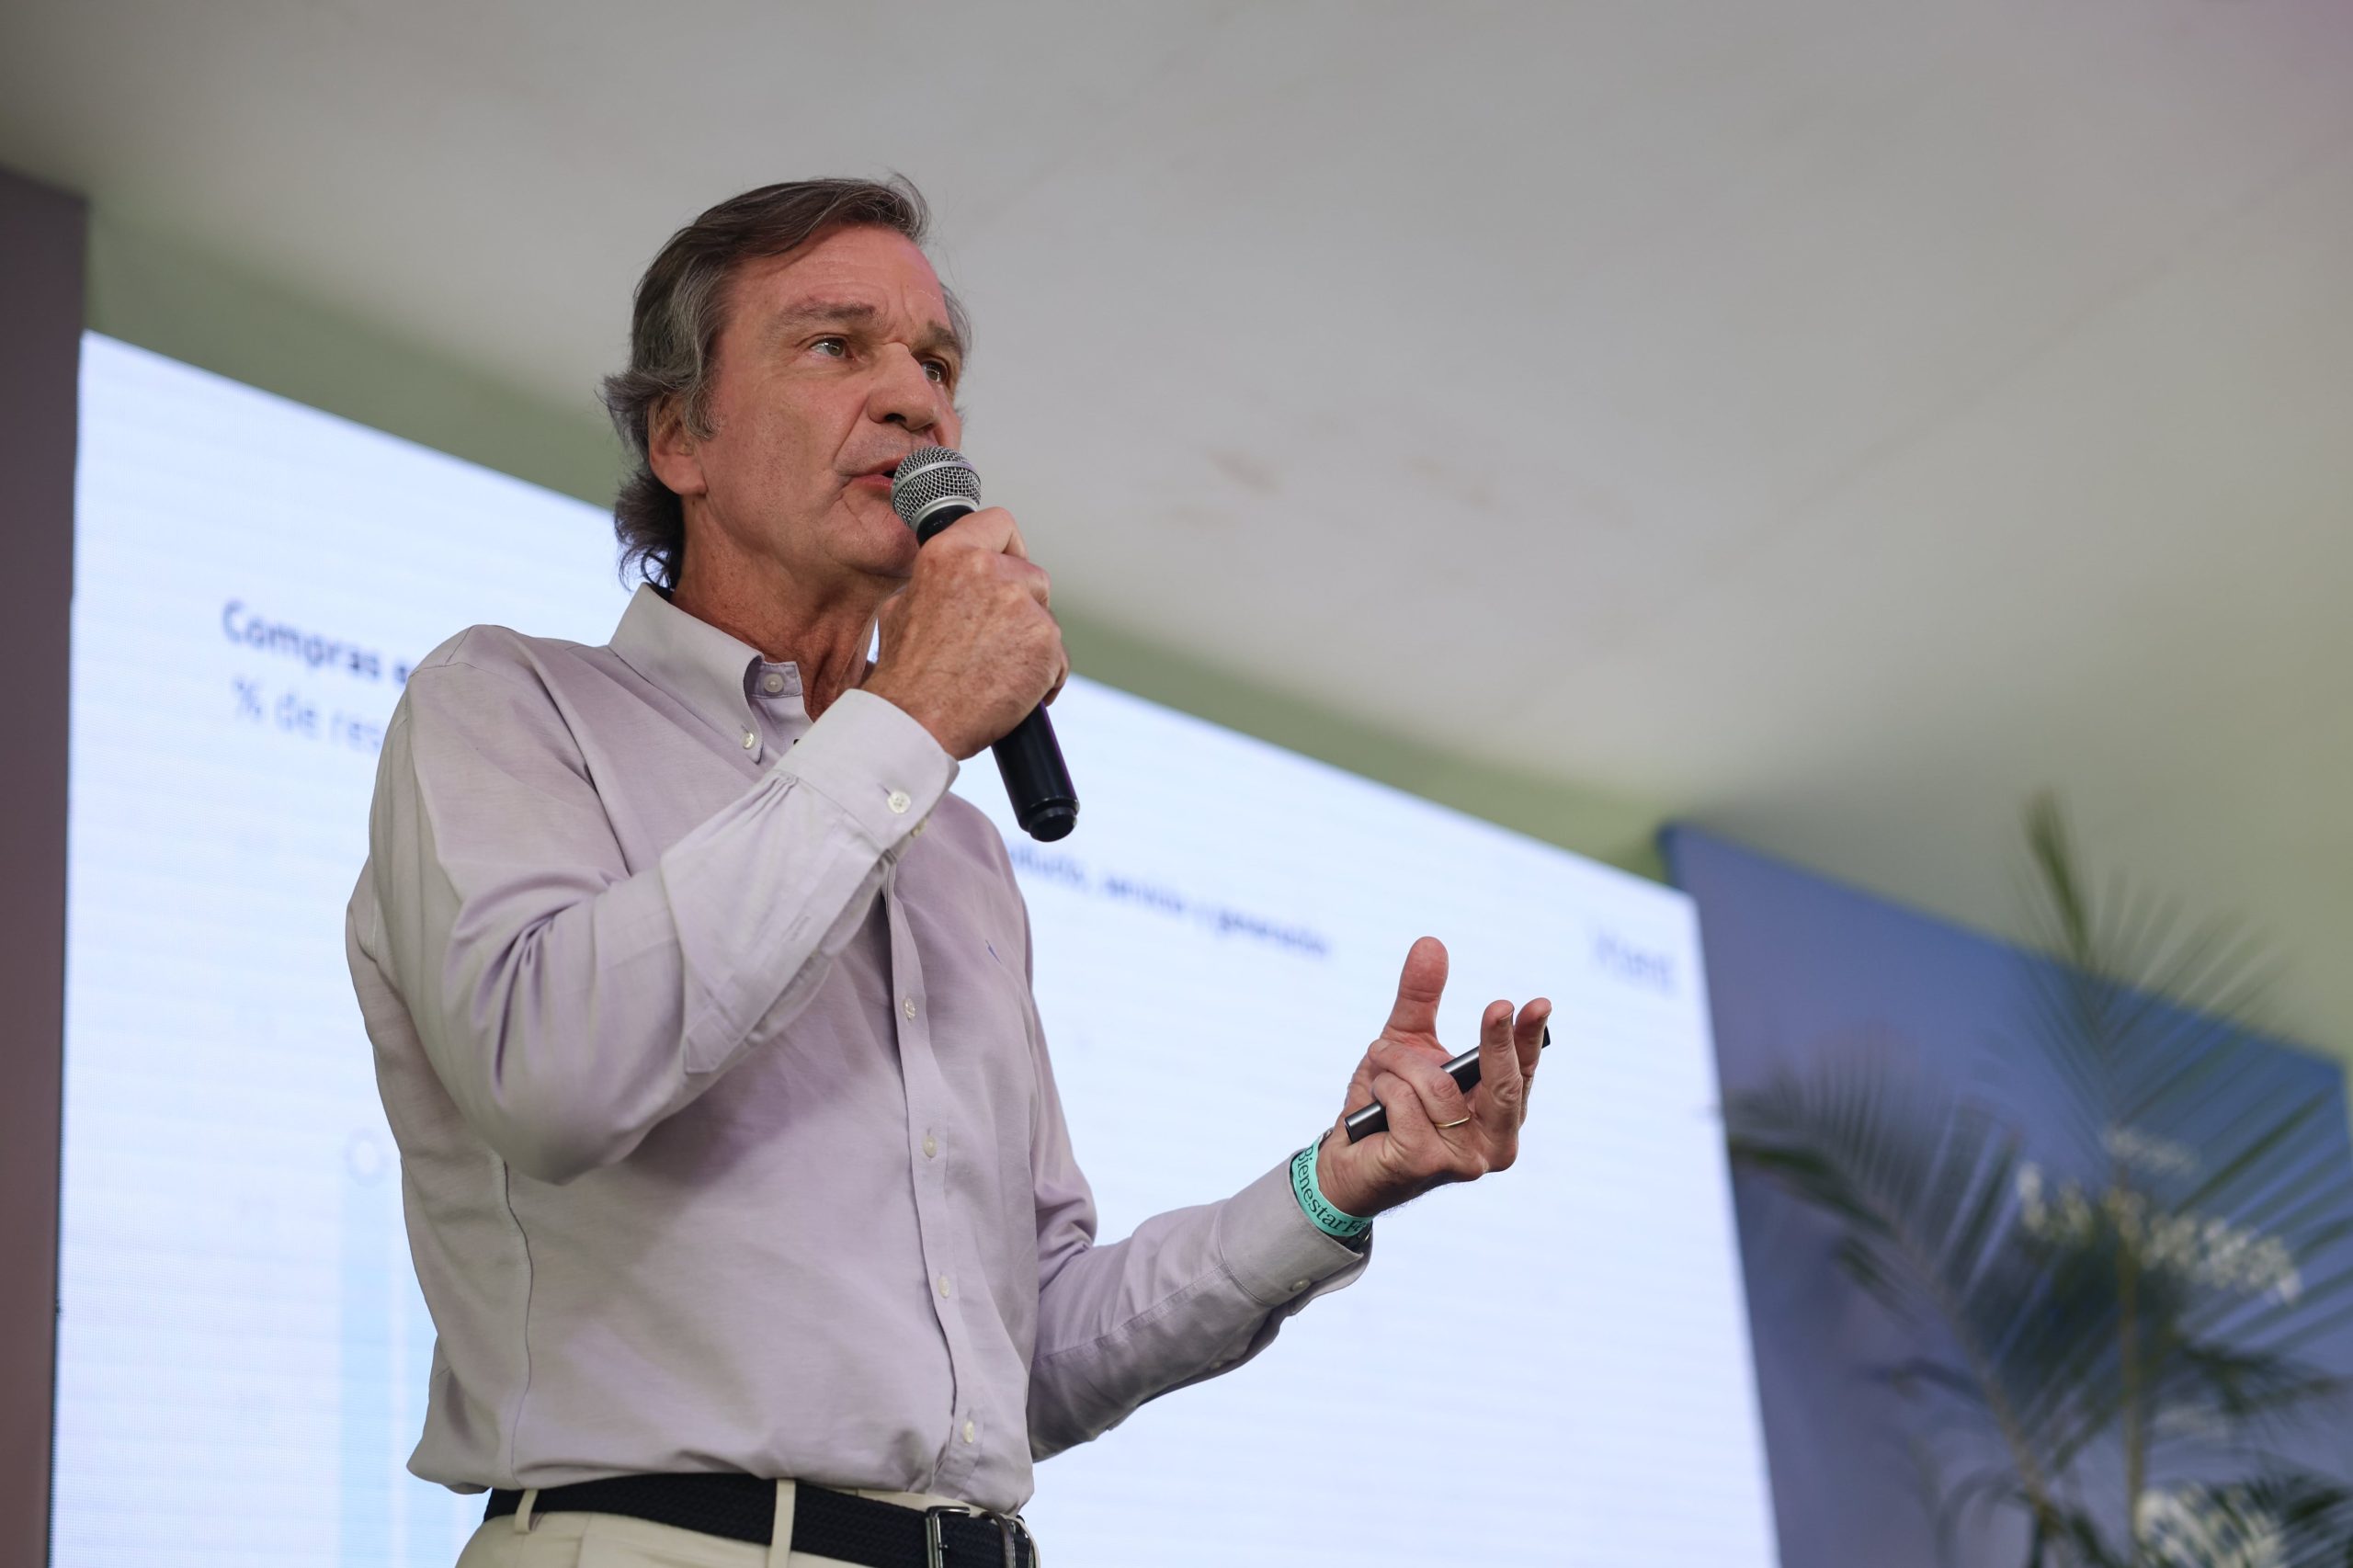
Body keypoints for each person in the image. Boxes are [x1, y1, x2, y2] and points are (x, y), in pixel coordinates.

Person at [347, 176, 1551, 1568]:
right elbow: (548, 1071)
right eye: (834, 345)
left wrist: (1331, 1187)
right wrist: (909, 718)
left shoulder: (957, 845)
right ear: (681, 434)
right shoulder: (508, 705)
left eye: (936, 363)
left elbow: (1026, 1354)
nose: (915, 399)